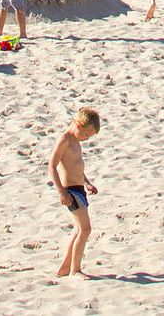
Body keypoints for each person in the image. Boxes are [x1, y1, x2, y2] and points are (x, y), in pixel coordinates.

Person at [50, 107, 102, 278]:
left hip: (79, 189)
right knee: (85, 229)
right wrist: (61, 192)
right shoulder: (65, 139)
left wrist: (87, 183)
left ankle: (65, 268)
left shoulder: (76, 142)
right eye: (87, 134)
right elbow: (52, 166)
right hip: (70, 191)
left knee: (79, 229)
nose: (86, 138)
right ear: (79, 124)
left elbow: (77, 167)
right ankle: (75, 270)